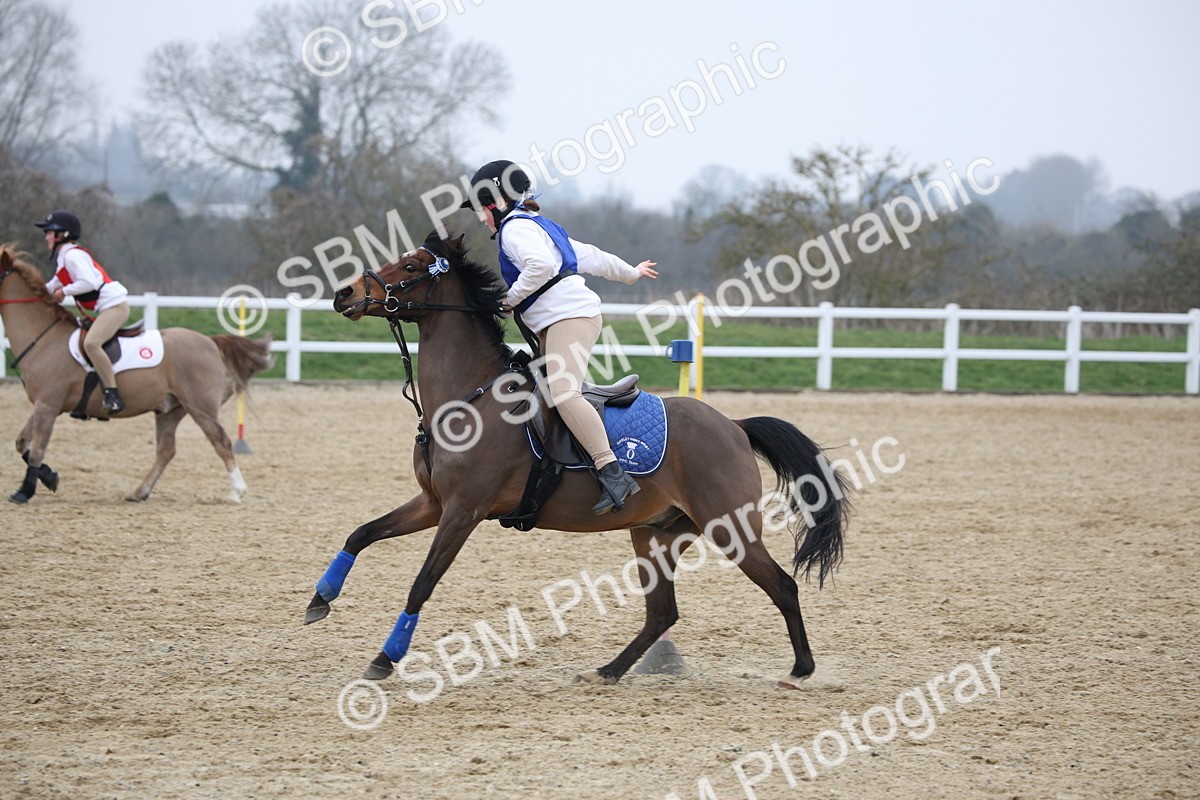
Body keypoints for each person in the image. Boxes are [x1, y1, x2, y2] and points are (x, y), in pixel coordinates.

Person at [461, 160, 659, 514]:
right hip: (564, 319)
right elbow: (592, 257)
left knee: (564, 392)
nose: (481, 219)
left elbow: (542, 267)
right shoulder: (541, 226)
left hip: (570, 317)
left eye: (481, 210)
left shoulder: (514, 231)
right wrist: (631, 273)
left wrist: (510, 299)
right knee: (549, 391)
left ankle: (613, 472)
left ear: (496, 202)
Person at [35, 210, 130, 413]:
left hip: (114, 308)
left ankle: (113, 395)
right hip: (105, 309)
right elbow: (53, 285)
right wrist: (35, 295)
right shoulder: (64, 258)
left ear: (63, 235)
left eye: (49, 232)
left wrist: (64, 292)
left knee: (91, 343)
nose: (46, 237)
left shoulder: (72, 256)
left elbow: (90, 282)